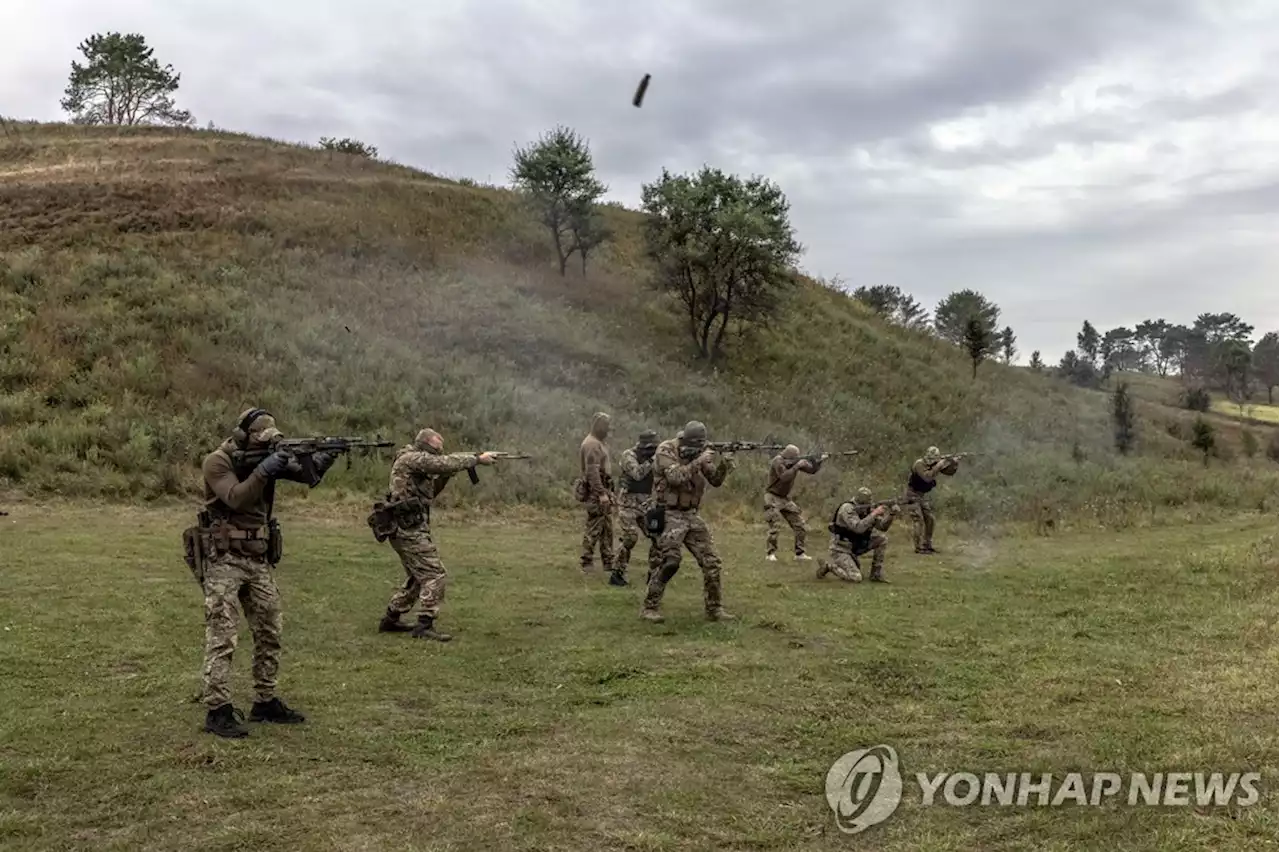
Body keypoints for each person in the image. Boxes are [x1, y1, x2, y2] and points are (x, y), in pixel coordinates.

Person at [196, 407, 337, 738]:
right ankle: (217, 710)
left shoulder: (266, 458)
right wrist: (265, 469)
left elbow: (307, 475)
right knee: (223, 635)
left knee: (270, 629)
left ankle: (265, 700)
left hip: (258, 559)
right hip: (224, 559)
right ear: (244, 436)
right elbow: (234, 497)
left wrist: (324, 457)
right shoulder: (217, 461)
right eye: (261, 438)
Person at [373, 428, 495, 641]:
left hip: (408, 526)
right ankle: (424, 625)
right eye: (437, 447)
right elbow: (443, 463)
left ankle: (390, 619)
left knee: (418, 576)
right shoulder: (412, 458)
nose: (440, 451)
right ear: (426, 445)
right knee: (434, 574)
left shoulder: (417, 463)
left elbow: (430, 492)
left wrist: (448, 473)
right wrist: (476, 459)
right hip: (406, 527)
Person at [641, 421, 736, 623]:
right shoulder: (666, 450)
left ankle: (714, 608)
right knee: (669, 561)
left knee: (712, 562)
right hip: (668, 512)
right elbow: (675, 477)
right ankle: (650, 607)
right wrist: (699, 461)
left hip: (691, 514)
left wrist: (725, 464)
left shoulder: (699, 453)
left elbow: (715, 480)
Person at [816, 487, 898, 583]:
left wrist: (891, 514)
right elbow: (858, 528)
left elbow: (883, 527)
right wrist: (874, 513)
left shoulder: (867, 509)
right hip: (841, 549)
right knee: (856, 577)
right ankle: (829, 566)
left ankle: (876, 574)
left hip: (856, 546)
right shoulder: (847, 508)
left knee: (882, 539)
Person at [613, 429, 660, 587]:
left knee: (657, 537)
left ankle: (654, 575)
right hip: (628, 502)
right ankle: (618, 572)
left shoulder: (654, 458)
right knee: (630, 538)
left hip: (646, 502)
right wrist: (653, 460)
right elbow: (637, 474)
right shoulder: (629, 455)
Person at [764, 445, 821, 562]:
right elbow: (784, 477)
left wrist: (818, 462)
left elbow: (811, 470)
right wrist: (797, 466)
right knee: (774, 526)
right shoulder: (778, 461)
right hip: (772, 497)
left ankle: (800, 553)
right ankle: (770, 554)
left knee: (799, 524)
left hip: (785, 498)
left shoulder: (794, 463)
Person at [577, 412, 615, 574]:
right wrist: (601, 493)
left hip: (602, 488)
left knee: (606, 528)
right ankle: (587, 561)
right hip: (596, 491)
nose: (608, 430)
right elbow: (592, 471)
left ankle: (608, 561)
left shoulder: (598, 443)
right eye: (606, 427)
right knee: (594, 527)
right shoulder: (592, 444)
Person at [904, 446, 960, 554]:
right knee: (918, 520)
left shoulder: (934, 464)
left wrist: (954, 463)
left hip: (921, 495)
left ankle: (927, 545)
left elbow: (949, 473)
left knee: (930, 519)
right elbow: (927, 477)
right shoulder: (919, 464)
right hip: (912, 494)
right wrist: (939, 465)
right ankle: (919, 547)